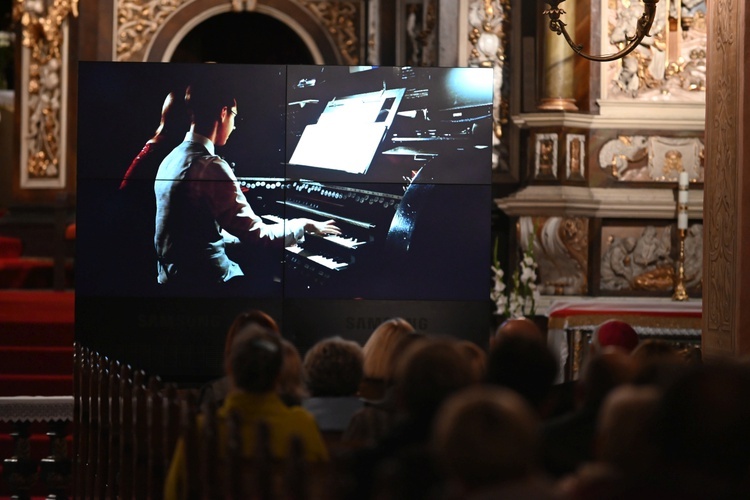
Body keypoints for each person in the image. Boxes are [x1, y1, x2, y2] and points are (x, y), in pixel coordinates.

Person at [154, 81, 340, 290]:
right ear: (223, 113)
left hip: (170, 277)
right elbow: (259, 235)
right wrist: (303, 224)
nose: (235, 125)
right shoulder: (210, 167)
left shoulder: (171, 158)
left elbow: (193, 231)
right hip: (206, 282)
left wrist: (240, 236)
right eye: (235, 115)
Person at [164, 325, 329, 500]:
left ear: (229, 369)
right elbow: (323, 489)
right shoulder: (302, 426)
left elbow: (173, 493)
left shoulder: (199, 431)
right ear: (279, 375)